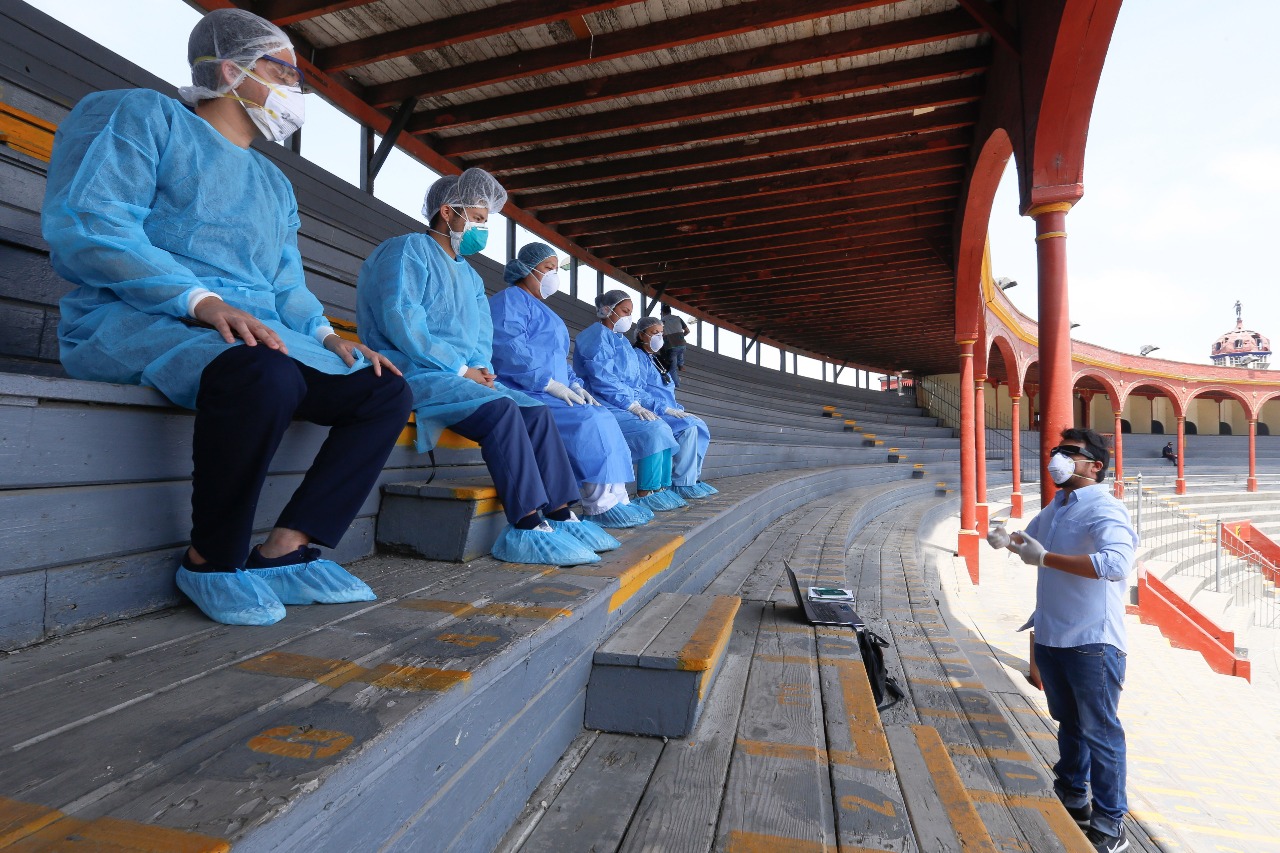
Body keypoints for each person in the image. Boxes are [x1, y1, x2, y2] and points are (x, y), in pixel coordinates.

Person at [42, 9, 413, 626]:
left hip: (253, 333)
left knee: (385, 390)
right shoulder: (142, 117)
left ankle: (287, 549)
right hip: (137, 317)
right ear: (229, 68)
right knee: (267, 374)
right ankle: (211, 558)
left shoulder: (272, 183)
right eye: (282, 70)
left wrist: (326, 334)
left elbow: (284, 283)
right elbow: (93, 223)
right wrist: (199, 301)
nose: (296, 89)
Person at [357, 170, 608, 566]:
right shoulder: (407, 250)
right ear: (447, 211)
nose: (482, 228)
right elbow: (401, 320)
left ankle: (560, 514)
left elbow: (479, 337)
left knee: (536, 411)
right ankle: (526, 524)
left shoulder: (470, 276)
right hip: (416, 370)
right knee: (503, 410)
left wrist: (480, 367)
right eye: (476, 218)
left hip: (461, 375)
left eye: (485, 220)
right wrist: (460, 369)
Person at [992, 428, 1138, 853]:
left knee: (1101, 732)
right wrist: (1007, 539)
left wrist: (1045, 558)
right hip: (1054, 635)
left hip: (1092, 640)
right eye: (1057, 451)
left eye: (1070, 453)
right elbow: (1029, 541)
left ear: (1095, 465)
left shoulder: (1104, 508)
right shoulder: (1057, 506)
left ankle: (1111, 824)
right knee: (1070, 723)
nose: (1058, 457)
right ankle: (1073, 795)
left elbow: (1115, 563)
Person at [489, 242, 652, 529]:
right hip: (525, 388)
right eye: (549, 268)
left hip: (553, 389)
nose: (555, 275)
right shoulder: (508, 301)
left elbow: (558, 360)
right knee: (588, 420)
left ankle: (617, 496)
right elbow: (508, 350)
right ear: (527, 269)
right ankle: (598, 502)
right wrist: (547, 383)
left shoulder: (547, 313)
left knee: (602, 414)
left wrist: (575, 384)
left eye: (556, 268)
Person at [574, 291, 684, 513]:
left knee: (661, 426)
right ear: (606, 309)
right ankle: (645, 492)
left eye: (631, 313)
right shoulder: (595, 336)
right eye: (625, 311)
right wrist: (630, 405)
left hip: (623, 403)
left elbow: (636, 387)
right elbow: (603, 380)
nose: (629, 318)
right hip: (604, 402)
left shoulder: (623, 344)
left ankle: (659, 489)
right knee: (654, 430)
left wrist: (661, 407)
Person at [631, 317, 717, 499]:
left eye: (661, 334)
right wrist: (667, 409)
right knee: (689, 428)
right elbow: (639, 391)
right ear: (641, 334)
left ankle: (689, 479)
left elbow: (667, 391)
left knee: (695, 425)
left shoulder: (656, 360)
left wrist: (677, 408)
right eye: (655, 333)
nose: (659, 337)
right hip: (653, 410)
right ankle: (680, 482)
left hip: (668, 409)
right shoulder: (637, 357)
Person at [659, 304, 690, 386]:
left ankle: (676, 384)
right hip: (682, 345)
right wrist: (680, 337)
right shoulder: (678, 318)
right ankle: (681, 364)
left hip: (671, 346)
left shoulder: (662, 321)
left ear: (662, 312)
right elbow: (687, 331)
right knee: (680, 349)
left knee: (672, 369)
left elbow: (660, 335)